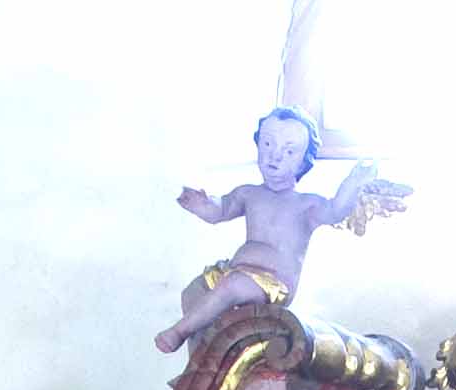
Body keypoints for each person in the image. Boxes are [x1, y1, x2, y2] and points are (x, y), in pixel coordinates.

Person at [156, 107, 408, 353]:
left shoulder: (306, 204)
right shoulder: (249, 193)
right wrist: (202, 205)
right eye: (267, 144)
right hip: (235, 271)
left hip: (272, 283)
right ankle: (202, 358)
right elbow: (220, 210)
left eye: (289, 151)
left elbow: (336, 210)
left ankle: (178, 331)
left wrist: (354, 182)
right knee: (193, 291)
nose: (274, 156)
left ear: (304, 161)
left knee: (232, 287)